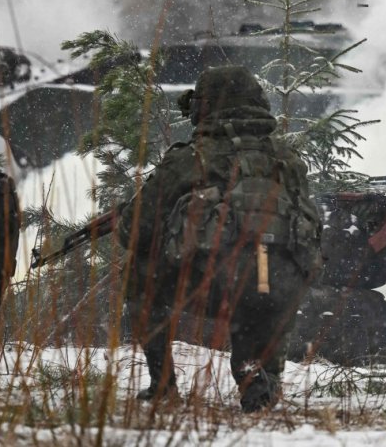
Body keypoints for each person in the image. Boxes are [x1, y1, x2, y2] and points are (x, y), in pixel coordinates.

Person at [116, 65, 321, 411]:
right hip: (279, 288)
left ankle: (163, 385)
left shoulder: (189, 159)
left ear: (205, 106)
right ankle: (262, 380)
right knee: (265, 286)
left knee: (139, 270)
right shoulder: (287, 159)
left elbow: (133, 231)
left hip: (215, 286)